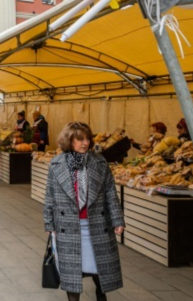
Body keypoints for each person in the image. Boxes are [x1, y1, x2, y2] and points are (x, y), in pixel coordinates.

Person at [43, 122, 125, 301]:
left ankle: (100, 295)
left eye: (87, 138)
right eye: (80, 139)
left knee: (99, 270)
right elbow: (50, 195)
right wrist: (49, 223)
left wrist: (117, 220)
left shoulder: (99, 162)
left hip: (96, 225)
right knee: (72, 275)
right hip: (68, 227)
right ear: (69, 140)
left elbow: (111, 193)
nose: (85, 143)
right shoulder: (56, 164)